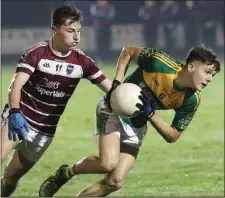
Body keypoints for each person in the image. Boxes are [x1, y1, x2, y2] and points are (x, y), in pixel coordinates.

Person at [39, 44, 221, 197]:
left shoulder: (191, 100)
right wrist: (116, 84)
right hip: (113, 109)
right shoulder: (159, 62)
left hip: (137, 123)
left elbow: (173, 136)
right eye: (207, 72)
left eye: (212, 75)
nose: (209, 79)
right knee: (107, 163)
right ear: (190, 67)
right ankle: (65, 173)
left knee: (114, 181)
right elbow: (128, 51)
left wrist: (151, 114)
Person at [1, 6, 112, 197]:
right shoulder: (36, 54)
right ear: (55, 29)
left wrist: (132, 97)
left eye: (78, 31)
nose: (76, 37)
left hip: (43, 133)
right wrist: (14, 112)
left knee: (10, 179)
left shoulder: (83, 62)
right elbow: (15, 86)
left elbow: (111, 89)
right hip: (18, 119)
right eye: (70, 31)